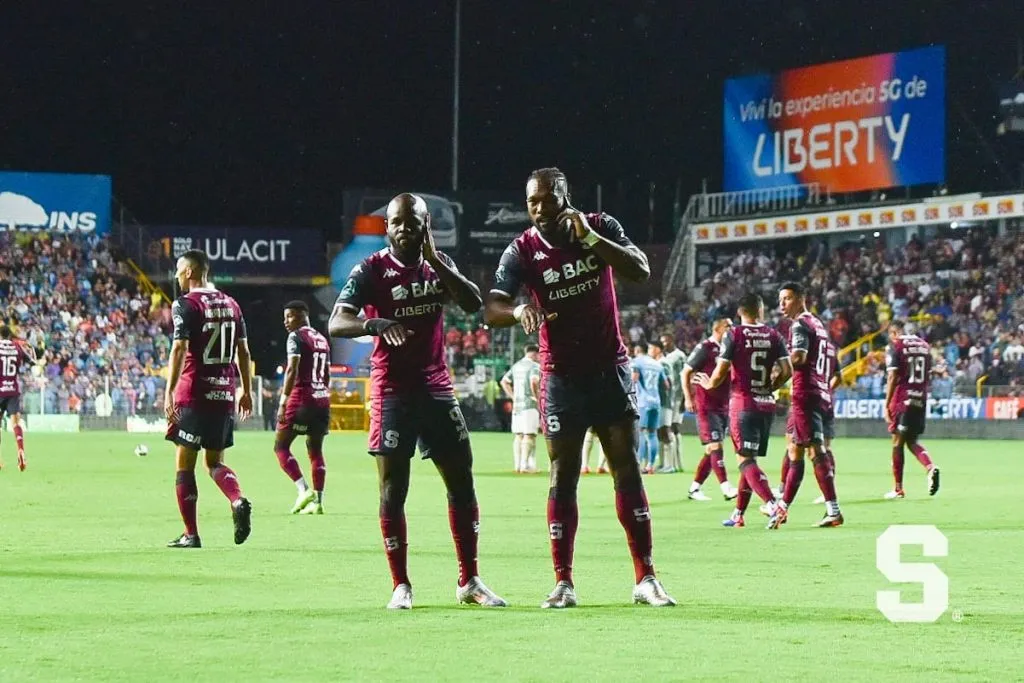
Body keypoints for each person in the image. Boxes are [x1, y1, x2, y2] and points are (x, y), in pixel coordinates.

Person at [484, 167, 675, 608]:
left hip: (609, 368)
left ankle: (646, 578)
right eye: (532, 202)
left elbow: (640, 269)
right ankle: (563, 582)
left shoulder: (601, 226)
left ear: (565, 196)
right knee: (562, 476)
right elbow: (492, 304)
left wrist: (591, 239)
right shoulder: (522, 251)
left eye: (547, 200)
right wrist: (518, 312)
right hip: (561, 376)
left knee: (625, 469)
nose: (539, 210)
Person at [329, 192, 506, 610]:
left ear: (425, 226)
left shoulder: (438, 266)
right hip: (392, 390)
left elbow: (473, 302)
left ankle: (470, 581)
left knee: (462, 480)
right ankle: (401, 585)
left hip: (436, 388)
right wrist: (375, 322)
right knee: (393, 489)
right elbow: (338, 321)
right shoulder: (371, 269)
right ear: (387, 228)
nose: (405, 229)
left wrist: (438, 260)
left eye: (414, 222)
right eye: (398, 222)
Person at [164, 250, 253, 549]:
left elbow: (179, 349)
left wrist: (168, 392)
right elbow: (244, 352)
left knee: (184, 465)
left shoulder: (185, 305)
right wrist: (247, 391)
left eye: (179, 270)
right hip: (224, 393)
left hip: (193, 393)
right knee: (215, 462)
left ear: (189, 272)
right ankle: (237, 499)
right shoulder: (232, 303)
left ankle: (191, 533)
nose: (176, 276)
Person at [695, 293, 792, 529]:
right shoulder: (773, 334)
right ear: (760, 311)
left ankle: (772, 504)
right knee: (749, 460)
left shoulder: (734, 334)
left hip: (743, 403)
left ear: (740, 312)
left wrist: (709, 384)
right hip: (766, 403)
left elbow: (720, 371)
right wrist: (771, 386)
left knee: (744, 460)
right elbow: (787, 370)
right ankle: (739, 513)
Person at [777, 282, 843, 527]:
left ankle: (833, 509)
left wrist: (776, 374)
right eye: (781, 299)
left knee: (815, 451)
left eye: (787, 299)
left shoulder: (800, 324)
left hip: (806, 394)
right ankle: (781, 505)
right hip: (821, 393)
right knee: (795, 448)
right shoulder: (819, 325)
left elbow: (799, 357)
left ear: (800, 298)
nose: (782, 304)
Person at [275, 301, 330, 515]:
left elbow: (292, 369)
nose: (286, 321)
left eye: (289, 316)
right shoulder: (322, 339)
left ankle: (303, 490)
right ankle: (318, 502)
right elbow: (326, 374)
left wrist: (283, 402)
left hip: (301, 398)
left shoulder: (296, 337)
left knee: (281, 447)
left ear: (301, 315)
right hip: (322, 399)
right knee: (315, 450)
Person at [883, 319, 940, 499]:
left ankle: (898, 488)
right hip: (920, 398)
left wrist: (887, 403)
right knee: (911, 440)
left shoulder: (896, 346)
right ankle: (930, 467)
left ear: (894, 332)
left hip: (902, 398)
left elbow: (892, 376)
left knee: (897, 441)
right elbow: (928, 372)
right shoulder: (925, 346)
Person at [681, 318, 737, 501]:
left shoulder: (728, 348)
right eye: (727, 326)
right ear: (717, 329)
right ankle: (726, 487)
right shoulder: (705, 347)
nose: (731, 329)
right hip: (706, 405)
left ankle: (694, 488)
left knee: (710, 451)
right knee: (716, 446)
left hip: (723, 406)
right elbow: (685, 371)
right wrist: (689, 398)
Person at [501, 343, 542, 473]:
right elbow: (534, 381)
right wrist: (537, 397)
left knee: (519, 435)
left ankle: (518, 465)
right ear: (535, 353)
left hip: (517, 406)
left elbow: (504, 381)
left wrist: (513, 396)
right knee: (529, 435)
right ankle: (525, 466)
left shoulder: (516, 366)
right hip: (530, 405)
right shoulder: (535, 366)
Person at [0, 324, 34, 471]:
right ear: (9, 335)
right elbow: (32, 360)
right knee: (16, 422)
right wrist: (29, 347)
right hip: (13, 389)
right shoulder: (17, 347)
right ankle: (20, 450)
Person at [631, 343, 669, 474]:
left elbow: (634, 379)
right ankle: (651, 465)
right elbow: (666, 385)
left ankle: (639, 464)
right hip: (655, 402)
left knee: (640, 432)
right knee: (653, 434)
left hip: (643, 402)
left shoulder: (638, 362)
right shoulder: (658, 365)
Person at [658, 333, 687, 472]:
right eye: (662, 342)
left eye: (666, 341)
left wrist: (684, 398)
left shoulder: (679, 356)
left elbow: (685, 376)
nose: (664, 344)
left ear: (672, 341)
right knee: (665, 429)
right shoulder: (664, 358)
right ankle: (668, 463)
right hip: (667, 399)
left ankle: (677, 464)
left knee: (673, 428)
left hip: (676, 398)